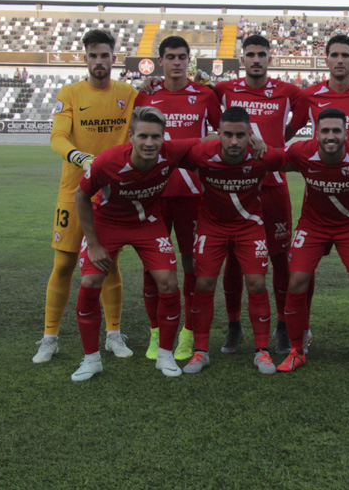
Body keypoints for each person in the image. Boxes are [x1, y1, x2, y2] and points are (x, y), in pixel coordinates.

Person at [33, 29, 149, 365]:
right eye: (93, 55)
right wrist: (79, 157)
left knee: (108, 263)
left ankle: (114, 335)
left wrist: (153, 88)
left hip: (113, 195)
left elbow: (153, 118)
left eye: (105, 55)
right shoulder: (69, 93)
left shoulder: (128, 93)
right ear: (85, 58)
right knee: (64, 264)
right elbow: (57, 137)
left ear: (115, 58)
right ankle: (49, 337)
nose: (99, 62)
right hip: (74, 192)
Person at [70, 106, 198, 380]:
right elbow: (81, 196)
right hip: (108, 223)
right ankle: (91, 359)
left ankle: (164, 355)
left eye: (155, 137)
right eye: (143, 136)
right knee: (90, 282)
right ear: (131, 136)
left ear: (164, 137)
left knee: (168, 282)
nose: (149, 143)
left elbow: (207, 142)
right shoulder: (107, 162)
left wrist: (252, 140)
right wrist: (93, 244)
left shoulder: (171, 153)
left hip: (148, 223)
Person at [277, 108, 349, 375]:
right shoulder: (301, 151)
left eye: (336, 131)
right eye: (325, 131)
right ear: (316, 134)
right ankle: (296, 351)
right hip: (312, 225)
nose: (331, 136)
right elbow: (275, 161)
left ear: (346, 133)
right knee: (296, 281)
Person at [211, 35, 302, 355]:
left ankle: (282, 326)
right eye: (250, 54)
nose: (256, 59)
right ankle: (234, 327)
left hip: (274, 185)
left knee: (280, 258)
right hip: (236, 186)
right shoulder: (224, 90)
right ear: (242, 59)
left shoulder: (288, 92)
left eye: (261, 54)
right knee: (234, 257)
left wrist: (277, 144)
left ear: (269, 57)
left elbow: (303, 118)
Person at [179, 106, 282, 375]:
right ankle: (200, 351)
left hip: (249, 225)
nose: (234, 141)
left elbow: (296, 161)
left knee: (257, 282)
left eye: (240, 135)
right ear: (219, 134)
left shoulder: (262, 155)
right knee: (204, 282)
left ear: (250, 135)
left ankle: (262, 351)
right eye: (228, 135)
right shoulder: (201, 154)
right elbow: (170, 153)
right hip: (211, 226)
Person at [145, 36, 222, 361]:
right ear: (160, 61)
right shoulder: (147, 96)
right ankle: (155, 334)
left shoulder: (205, 95)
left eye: (182, 57)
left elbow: (222, 135)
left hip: (193, 195)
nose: (177, 62)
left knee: (193, 265)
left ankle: (188, 334)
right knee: (152, 269)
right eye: (170, 57)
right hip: (153, 194)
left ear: (189, 60)